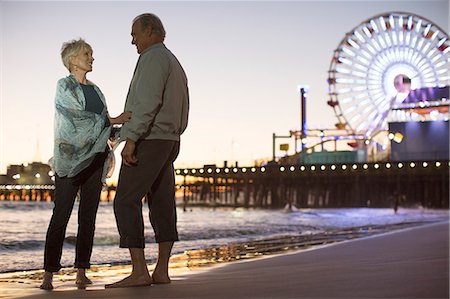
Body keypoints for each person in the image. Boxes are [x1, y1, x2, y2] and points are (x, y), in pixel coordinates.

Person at [40, 39, 132, 290]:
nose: (91, 58)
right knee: (60, 216)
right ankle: (49, 273)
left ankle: (81, 271)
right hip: (69, 162)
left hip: (96, 160)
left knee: (88, 218)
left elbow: (104, 128)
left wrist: (125, 127)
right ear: (72, 60)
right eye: (86, 54)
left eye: (91, 54)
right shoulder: (64, 86)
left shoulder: (96, 90)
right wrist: (112, 119)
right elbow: (75, 119)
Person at [106, 13, 189, 288]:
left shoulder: (152, 58)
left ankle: (139, 271)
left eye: (135, 34)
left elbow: (147, 102)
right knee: (162, 202)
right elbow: (183, 108)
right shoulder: (174, 61)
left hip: (150, 139)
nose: (132, 41)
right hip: (170, 140)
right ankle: (161, 271)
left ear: (151, 31)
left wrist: (132, 140)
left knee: (126, 200)